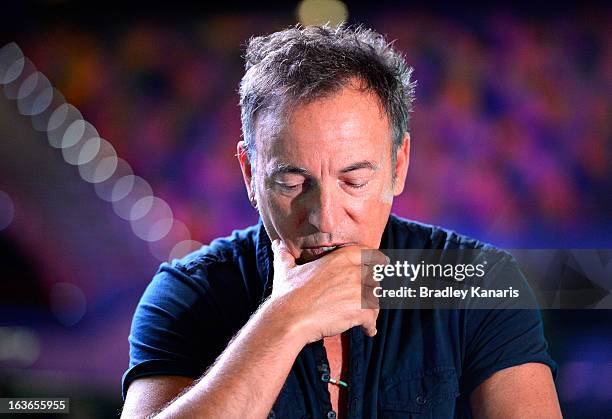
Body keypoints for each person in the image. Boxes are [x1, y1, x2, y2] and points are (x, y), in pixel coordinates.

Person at [120, 24, 562, 418]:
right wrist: (284, 320)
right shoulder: (188, 295)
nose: (324, 219)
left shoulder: (474, 283)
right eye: (292, 183)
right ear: (250, 175)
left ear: (399, 164)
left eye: (353, 180)